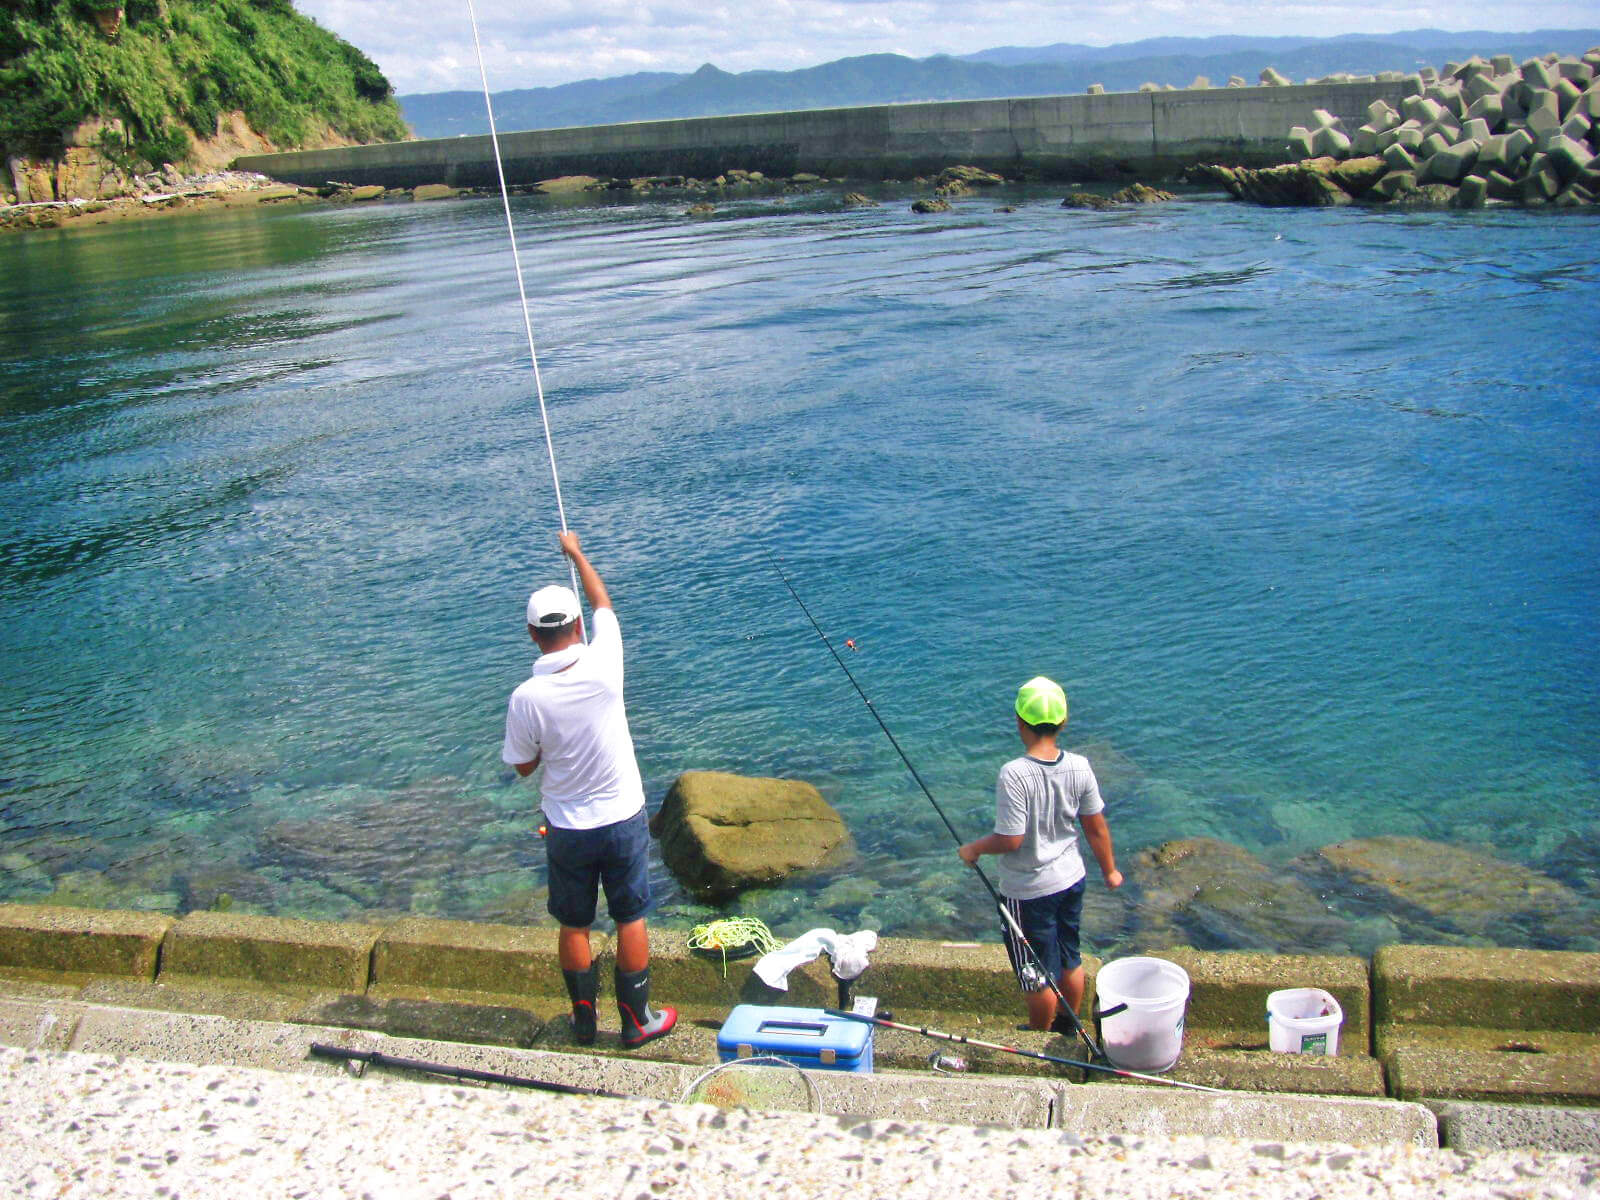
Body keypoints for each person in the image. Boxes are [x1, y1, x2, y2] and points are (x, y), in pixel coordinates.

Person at [501, 530, 676, 1049]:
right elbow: (603, 602)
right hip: (623, 819)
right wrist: (576, 553)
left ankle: (583, 1023)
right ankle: (635, 1021)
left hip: (567, 829)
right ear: (577, 626)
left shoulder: (526, 697)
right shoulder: (605, 663)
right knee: (630, 917)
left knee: (574, 924)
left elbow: (524, 767)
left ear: (532, 635)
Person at [958, 676, 1123, 1033]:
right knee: (1069, 957)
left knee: (1035, 973)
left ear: (1019, 721)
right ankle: (1068, 1023)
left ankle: (1039, 1034)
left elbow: (1011, 839)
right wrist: (1110, 871)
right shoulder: (1080, 765)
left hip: (1028, 892)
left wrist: (974, 849)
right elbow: (1096, 827)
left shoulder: (1014, 774)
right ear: (1063, 722)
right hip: (1072, 879)